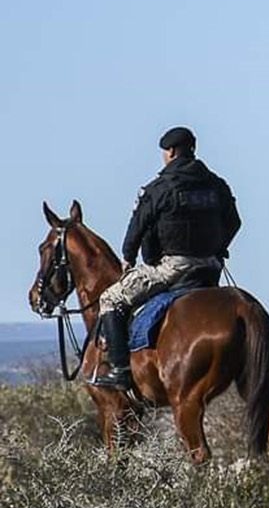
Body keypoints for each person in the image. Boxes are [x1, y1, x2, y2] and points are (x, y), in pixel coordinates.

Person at [92, 127, 241, 390]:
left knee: (110, 299)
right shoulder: (217, 185)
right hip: (210, 268)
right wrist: (219, 249)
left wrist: (127, 257)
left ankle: (120, 370)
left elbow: (136, 227)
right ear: (192, 149)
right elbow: (234, 222)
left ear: (170, 152)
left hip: (172, 269)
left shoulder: (159, 188)